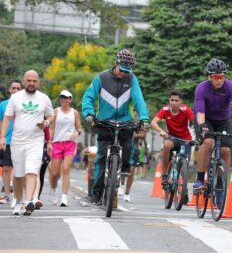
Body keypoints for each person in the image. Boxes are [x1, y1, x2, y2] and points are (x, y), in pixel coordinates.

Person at [82, 49, 149, 205]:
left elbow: (139, 100)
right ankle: (96, 191)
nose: (123, 74)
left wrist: (144, 118)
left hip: (125, 120)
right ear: (115, 63)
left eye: (127, 71)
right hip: (105, 122)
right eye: (122, 70)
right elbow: (88, 97)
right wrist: (89, 114)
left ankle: (124, 168)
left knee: (128, 147)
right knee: (101, 157)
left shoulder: (132, 79)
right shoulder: (101, 78)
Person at [0, 70, 54, 215]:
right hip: (18, 141)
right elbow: (7, 118)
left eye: (34, 81)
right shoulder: (15, 98)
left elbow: (51, 115)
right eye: (29, 80)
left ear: (38, 82)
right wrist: (2, 137)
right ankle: (18, 200)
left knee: (32, 171)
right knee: (18, 175)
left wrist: (47, 122)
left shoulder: (44, 98)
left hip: (36, 142)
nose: (31, 83)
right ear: (24, 81)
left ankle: (29, 200)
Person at [193, 58, 232, 200]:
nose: (219, 80)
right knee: (208, 142)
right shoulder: (201, 88)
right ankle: (199, 179)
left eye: (222, 77)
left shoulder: (230, 87)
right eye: (216, 77)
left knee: (226, 150)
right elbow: (199, 111)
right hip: (206, 119)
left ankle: (220, 183)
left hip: (223, 120)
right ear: (209, 77)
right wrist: (202, 125)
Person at [151, 90, 194, 192]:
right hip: (172, 138)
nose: (174, 102)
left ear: (181, 101)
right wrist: (161, 131)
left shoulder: (186, 110)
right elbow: (153, 122)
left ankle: (184, 189)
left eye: (176, 100)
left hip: (185, 139)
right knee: (166, 145)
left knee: (184, 165)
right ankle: (165, 175)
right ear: (169, 100)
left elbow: (195, 121)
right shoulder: (165, 110)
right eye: (172, 100)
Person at [48, 90, 82, 207]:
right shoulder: (56, 111)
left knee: (66, 169)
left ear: (70, 99)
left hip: (70, 144)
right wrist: (49, 141)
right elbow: (51, 128)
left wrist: (76, 133)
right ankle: (53, 190)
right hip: (57, 143)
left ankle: (64, 197)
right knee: (55, 172)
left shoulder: (75, 113)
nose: (63, 99)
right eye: (62, 97)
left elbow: (79, 128)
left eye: (66, 97)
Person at [0, 80, 22, 205]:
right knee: (7, 168)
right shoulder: (2, 105)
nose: (15, 91)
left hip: (21, 140)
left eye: (18, 88)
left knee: (20, 169)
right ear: (9, 90)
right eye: (13, 88)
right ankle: (7, 195)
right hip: (7, 141)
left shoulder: (25, 105)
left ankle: (19, 196)